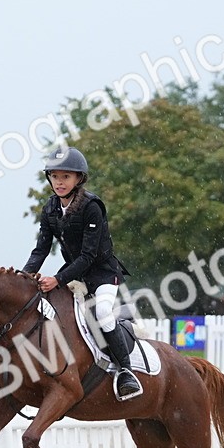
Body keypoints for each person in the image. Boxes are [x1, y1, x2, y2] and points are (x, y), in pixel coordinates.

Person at [22, 147, 141, 400]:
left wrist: (57, 279)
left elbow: (88, 256)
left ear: (78, 178)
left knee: (102, 312)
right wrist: (24, 276)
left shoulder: (91, 206)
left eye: (66, 176)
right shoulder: (50, 208)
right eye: (55, 176)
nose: (59, 182)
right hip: (74, 274)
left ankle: (126, 371)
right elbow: (41, 249)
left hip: (103, 274)